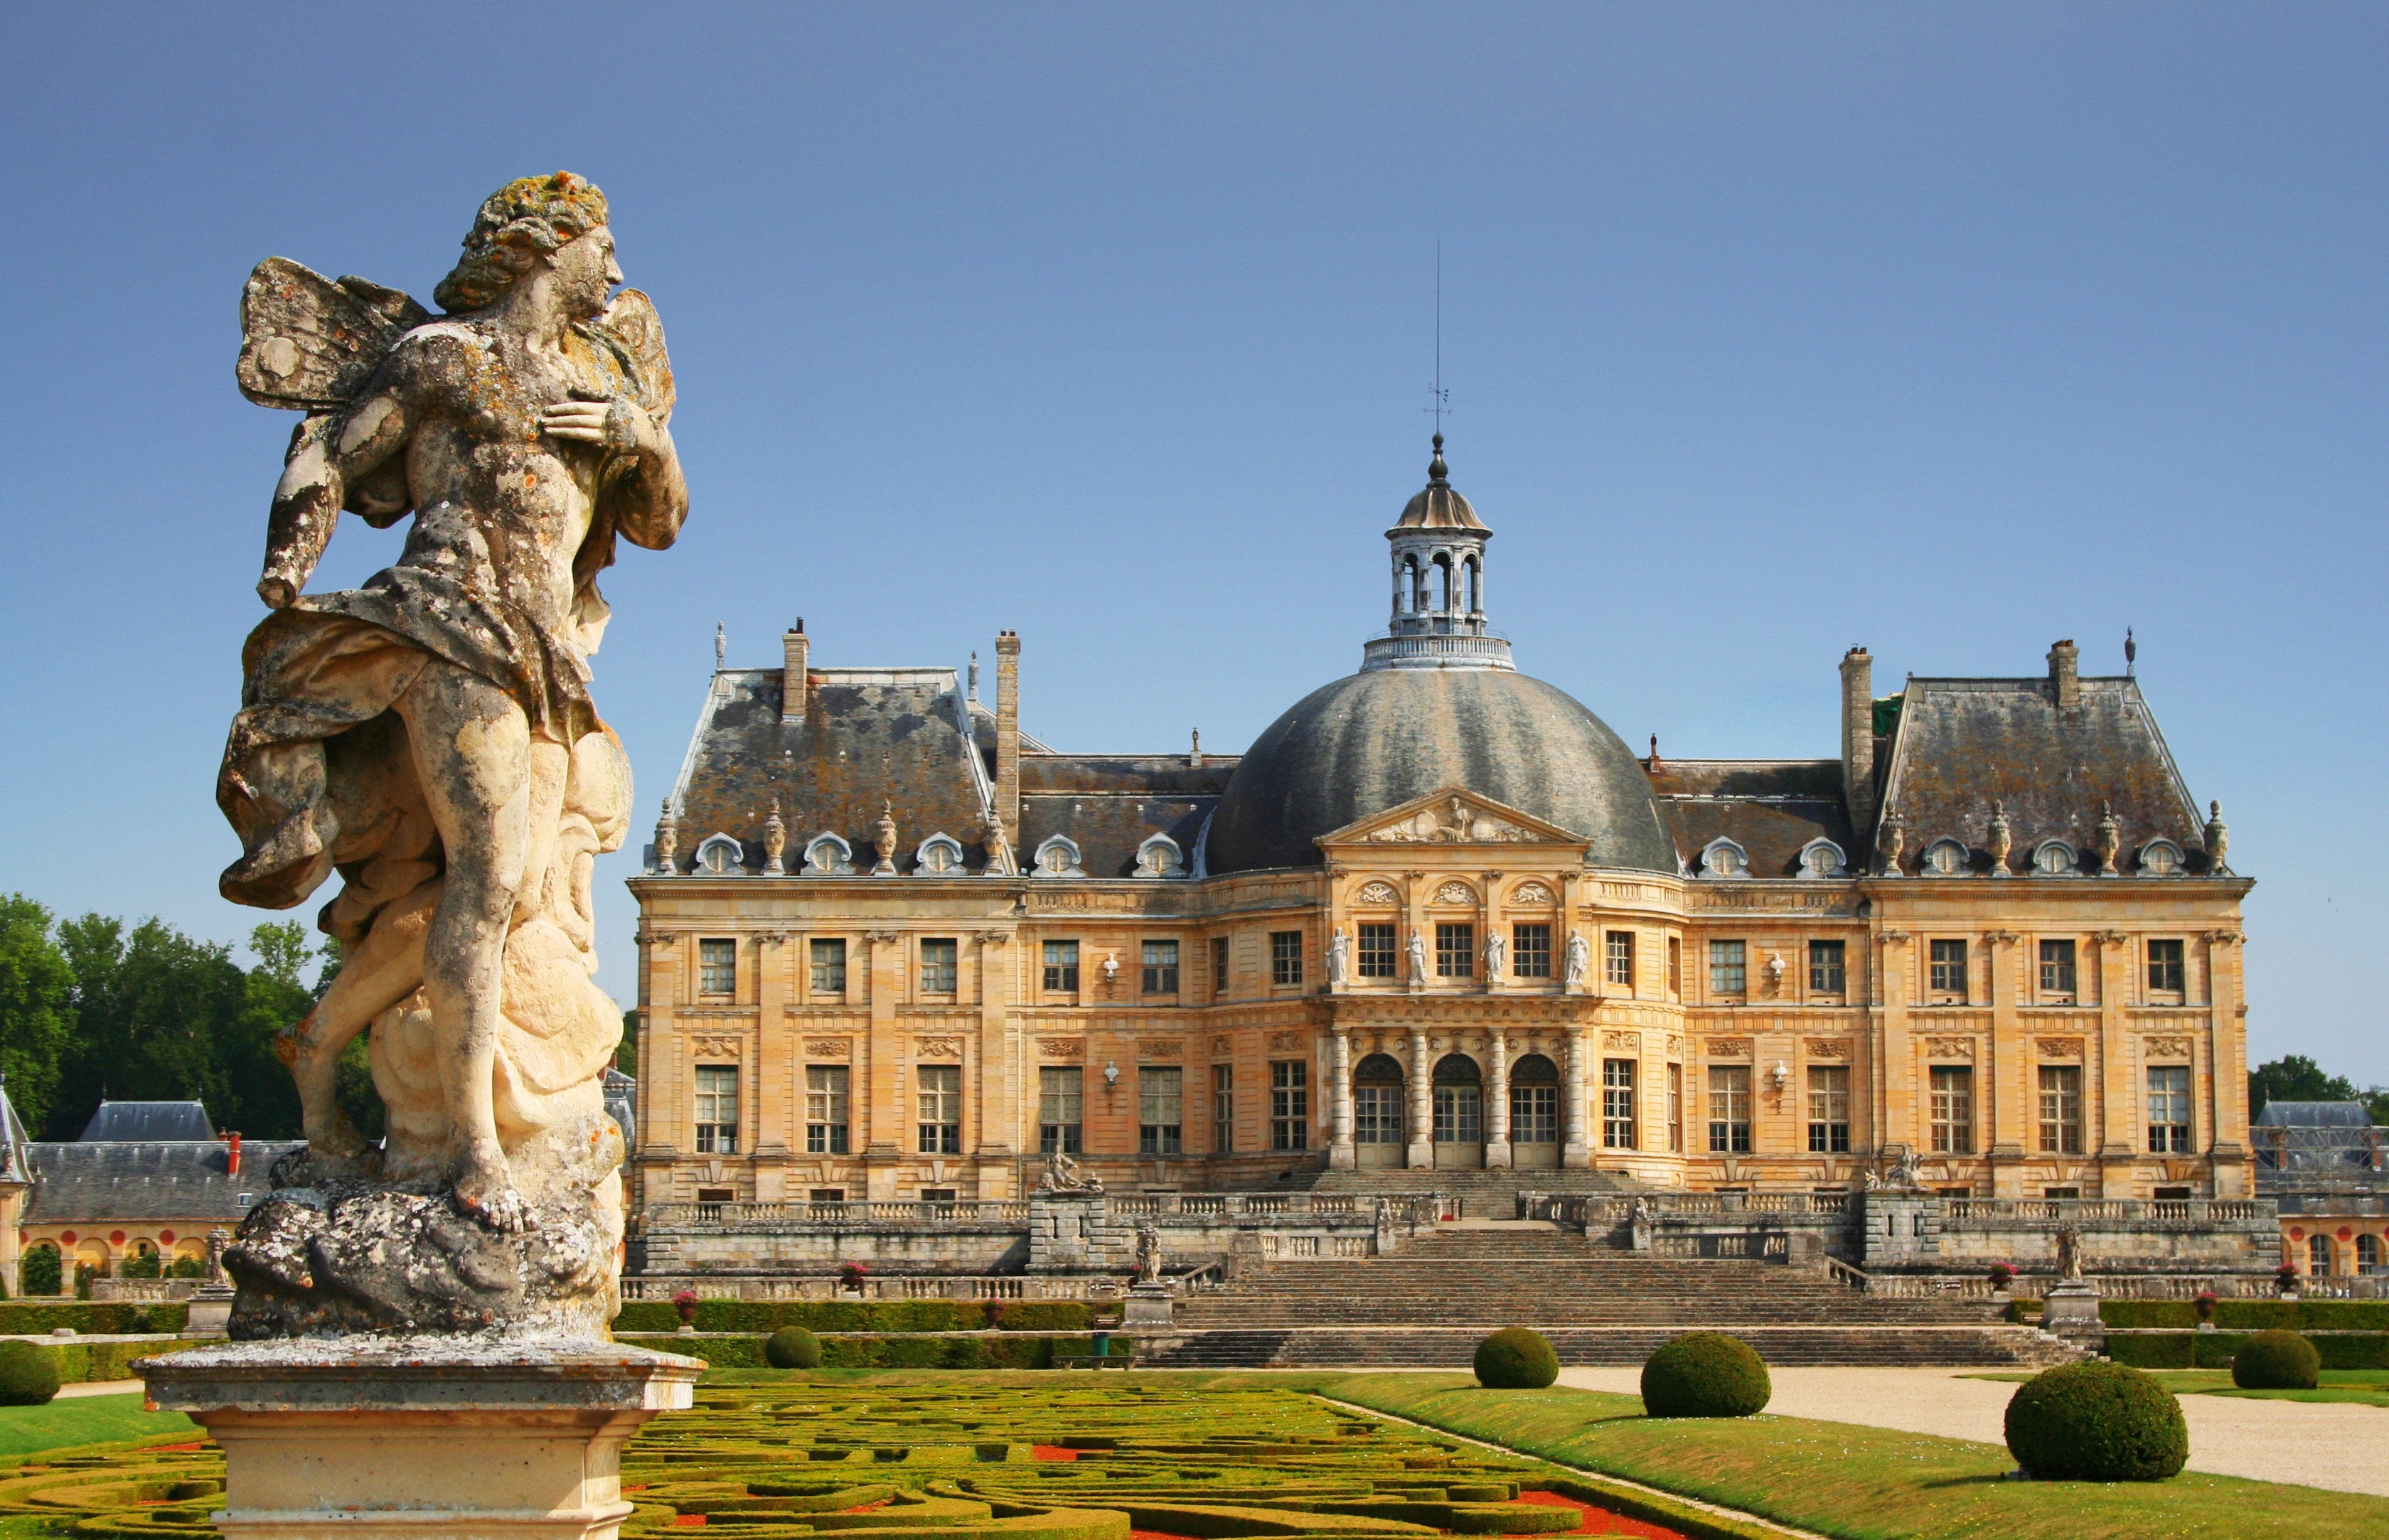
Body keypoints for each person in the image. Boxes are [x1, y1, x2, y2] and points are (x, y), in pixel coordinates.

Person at [218, 173, 686, 1231]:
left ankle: (324, 1043)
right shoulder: (448, 359)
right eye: (596, 247)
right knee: (483, 877)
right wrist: (289, 567)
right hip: (452, 622)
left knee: (520, 893)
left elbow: (661, 521)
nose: (613, 270)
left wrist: (645, 438)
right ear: (536, 249)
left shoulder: (594, 381)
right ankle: (474, 1144)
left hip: (549, 662)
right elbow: (331, 451)